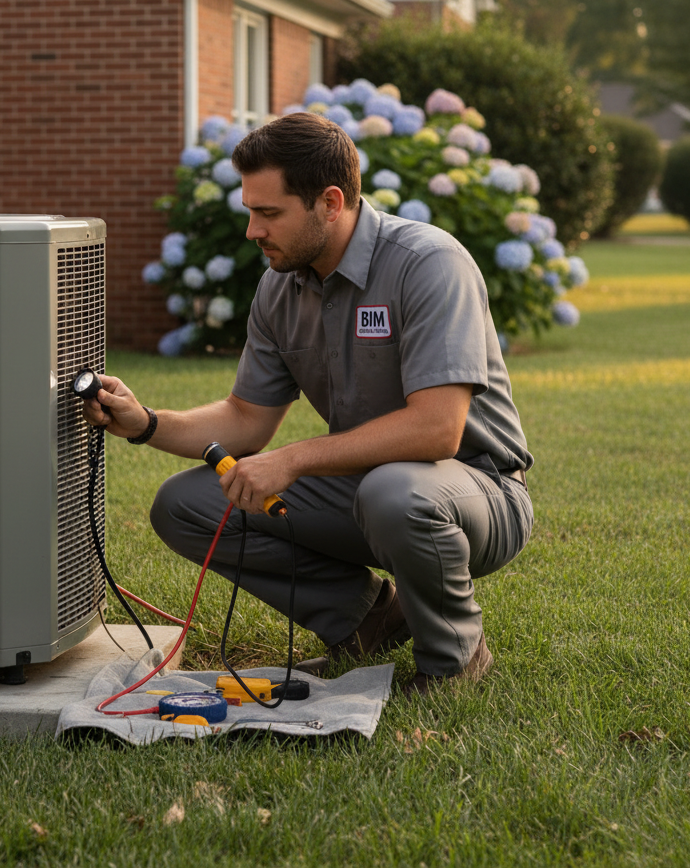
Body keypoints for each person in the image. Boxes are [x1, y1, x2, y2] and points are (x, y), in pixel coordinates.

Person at [80, 112, 533, 695]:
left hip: (477, 489)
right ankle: (369, 621)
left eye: (269, 213)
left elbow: (437, 430)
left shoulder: (427, 264)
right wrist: (146, 424)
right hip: (363, 486)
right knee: (186, 504)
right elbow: (246, 419)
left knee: (394, 492)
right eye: (250, 211)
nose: (252, 230)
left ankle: (453, 659)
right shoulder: (280, 286)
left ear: (330, 202)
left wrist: (293, 459)